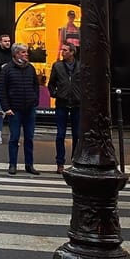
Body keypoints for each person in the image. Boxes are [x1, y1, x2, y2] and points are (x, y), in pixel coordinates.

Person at [0, 42, 41, 176]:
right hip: (14, 109)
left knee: (29, 138)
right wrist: (6, 108)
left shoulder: (30, 68)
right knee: (14, 138)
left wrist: (35, 101)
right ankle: (12, 164)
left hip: (29, 108)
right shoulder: (7, 69)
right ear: (16, 54)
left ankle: (29, 165)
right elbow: (2, 90)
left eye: (26, 52)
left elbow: (36, 85)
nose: (26, 54)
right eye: (23, 52)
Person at [47, 42, 81, 173]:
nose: (63, 52)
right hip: (62, 103)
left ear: (72, 52)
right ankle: (60, 163)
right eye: (62, 50)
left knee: (77, 135)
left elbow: (85, 83)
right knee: (60, 134)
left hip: (77, 103)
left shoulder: (80, 66)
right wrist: (55, 93)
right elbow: (51, 83)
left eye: (66, 50)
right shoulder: (58, 66)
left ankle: (75, 161)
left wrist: (82, 95)